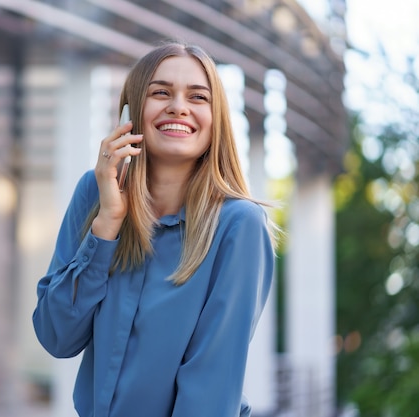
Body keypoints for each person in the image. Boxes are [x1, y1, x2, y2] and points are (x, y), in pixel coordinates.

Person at [32, 41, 277, 417]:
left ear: (217, 119)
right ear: (130, 111)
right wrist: (106, 227)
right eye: (160, 92)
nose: (178, 106)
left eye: (198, 97)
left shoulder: (239, 226)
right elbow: (56, 335)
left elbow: (209, 389)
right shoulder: (95, 192)